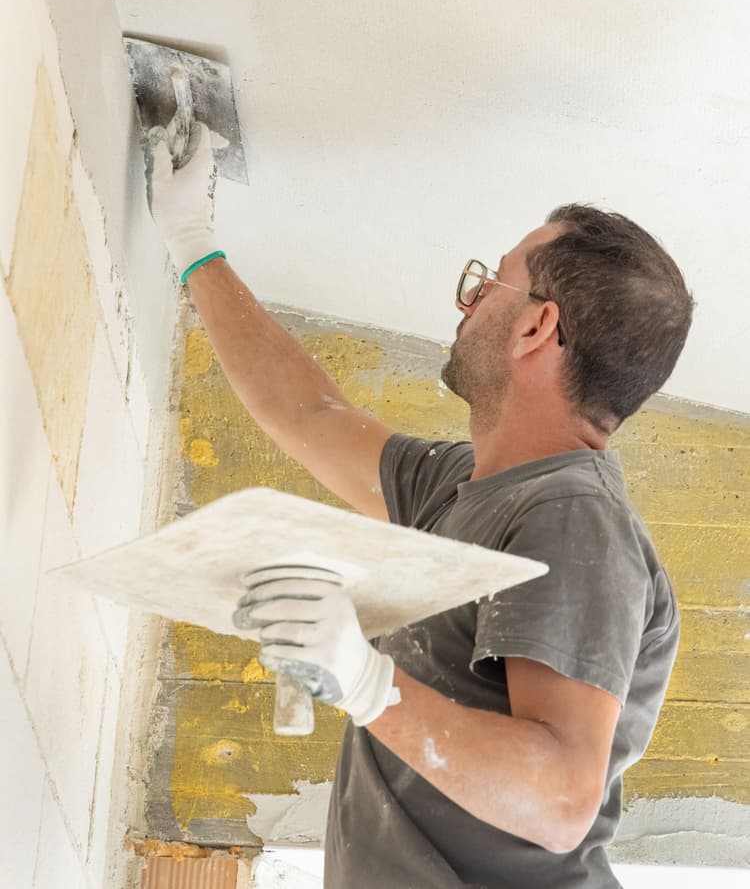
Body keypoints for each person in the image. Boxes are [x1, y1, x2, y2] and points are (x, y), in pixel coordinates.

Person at [145, 122, 694, 888]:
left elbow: (561, 796)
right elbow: (310, 415)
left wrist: (364, 680)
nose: (466, 302)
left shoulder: (573, 517)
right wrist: (192, 244)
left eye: (489, 284)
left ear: (537, 326)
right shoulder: (465, 488)